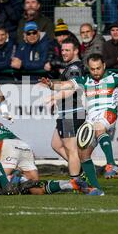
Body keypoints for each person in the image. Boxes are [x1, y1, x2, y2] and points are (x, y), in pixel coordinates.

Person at [40, 53, 118, 195]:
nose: (95, 72)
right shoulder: (85, 79)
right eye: (93, 69)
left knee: (99, 128)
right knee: (83, 154)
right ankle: (97, 189)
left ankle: (111, 164)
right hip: (90, 118)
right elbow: (66, 85)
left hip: (108, 113)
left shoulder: (115, 78)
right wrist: (51, 84)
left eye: (98, 68)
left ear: (104, 66)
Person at [0, 119, 89, 195]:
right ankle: (71, 184)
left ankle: (17, 178)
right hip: (24, 146)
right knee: (36, 189)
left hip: (6, 145)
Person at [46, 38, 86, 179]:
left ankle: (77, 179)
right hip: (65, 112)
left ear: (76, 51)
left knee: (71, 149)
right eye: (62, 50)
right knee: (56, 144)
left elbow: (72, 90)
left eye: (67, 50)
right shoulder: (71, 67)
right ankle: (81, 171)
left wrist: (54, 98)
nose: (64, 53)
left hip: (71, 112)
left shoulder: (74, 68)